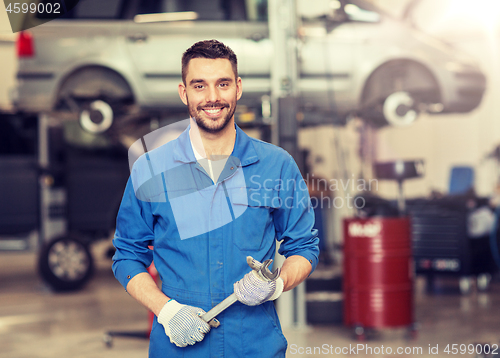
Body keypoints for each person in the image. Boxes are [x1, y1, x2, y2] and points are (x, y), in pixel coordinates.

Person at [112, 39, 319, 358]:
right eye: (199, 85)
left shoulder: (276, 165)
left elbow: (304, 247)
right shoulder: (151, 169)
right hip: (178, 347)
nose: (212, 97)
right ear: (184, 93)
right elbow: (127, 254)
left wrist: (276, 284)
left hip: (255, 345)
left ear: (237, 88)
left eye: (222, 84)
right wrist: (165, 310)